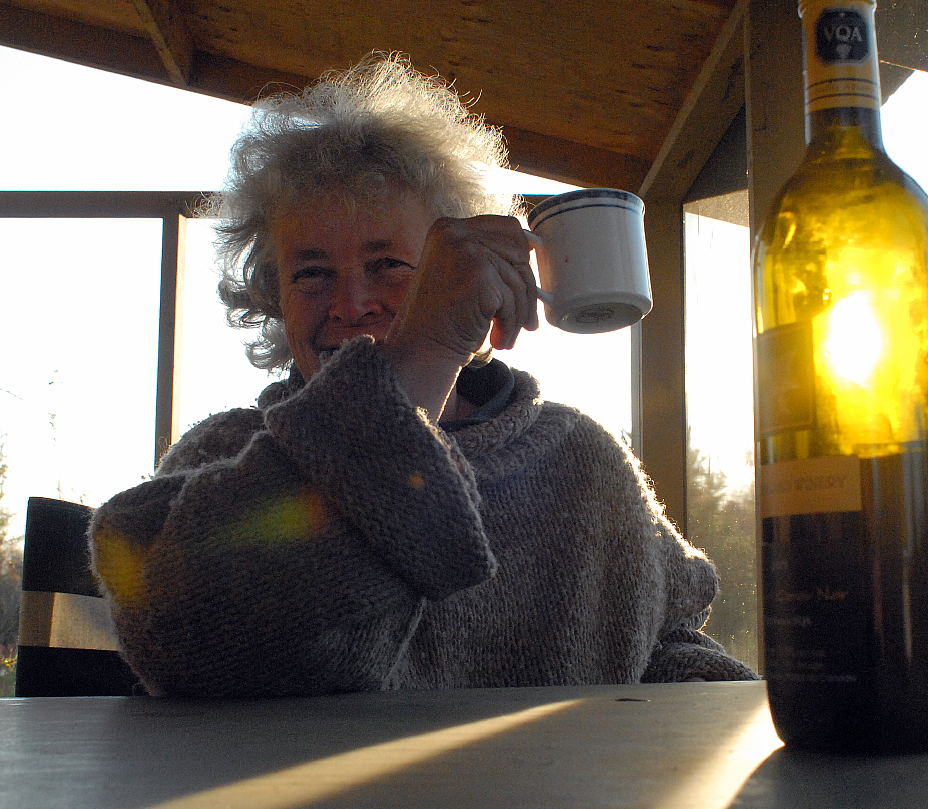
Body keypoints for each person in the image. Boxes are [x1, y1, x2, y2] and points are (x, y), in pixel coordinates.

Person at [89, 52, 756, 697]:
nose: (351, 305)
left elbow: (662, 641)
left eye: (389, 266)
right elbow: (171, 636)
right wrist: (419, 356)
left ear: (466, 272)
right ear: (274, 296)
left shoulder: (578, 459)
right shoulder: (228, 456)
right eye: (312, 272)